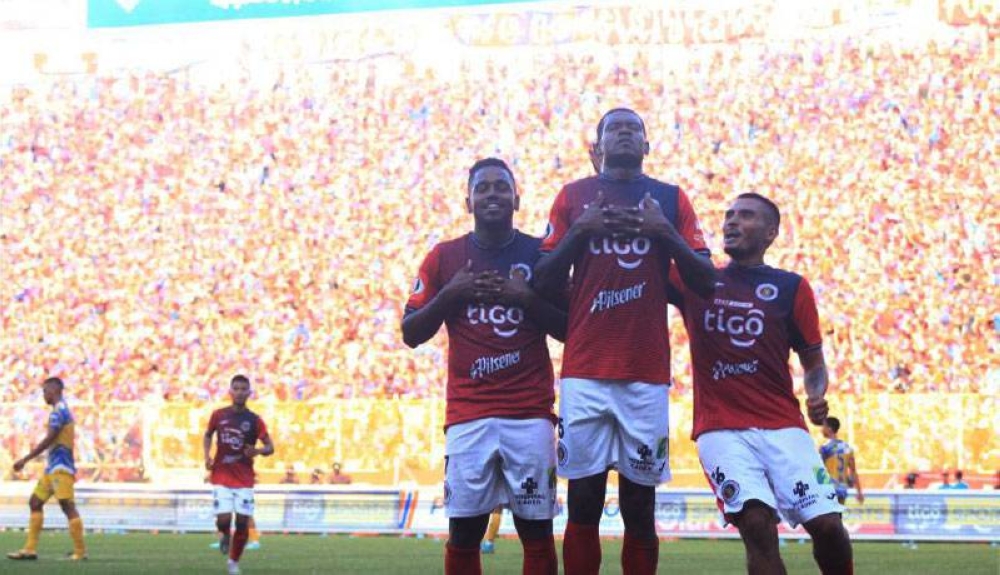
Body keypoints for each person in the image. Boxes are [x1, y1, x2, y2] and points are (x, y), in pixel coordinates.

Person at [534, 108, 715, 575]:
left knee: (640, 504)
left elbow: (705, 281)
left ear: (647, 145)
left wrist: (664, 232)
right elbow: (542, 279)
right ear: (598, 145)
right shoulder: (573, 197)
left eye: (634, 127)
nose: (625, 133)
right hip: (585, 373)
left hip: (644, 374)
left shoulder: (671, 199)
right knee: (584, 499)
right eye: (614, 127)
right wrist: (580, 231)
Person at [668, 193, 854, 574]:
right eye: (729, 215)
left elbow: (813, 360)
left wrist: (816, 393)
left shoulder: (791, 287)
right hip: (720, 429)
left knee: (829, 527)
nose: (732, 221)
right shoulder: (697, 279)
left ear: (770, 233)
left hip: (784, 426)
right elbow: (646, 254)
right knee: (756, 524)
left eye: (746, 216)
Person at [402, 157, 566, 575]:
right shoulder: (444, 257)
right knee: (464, 531)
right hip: (468, 417)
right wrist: (448, 296)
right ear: (468, 200)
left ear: (517, 198)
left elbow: (570, 329)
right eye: (483, 188)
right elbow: (411, 331)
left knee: (537, 532)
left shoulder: (541, 255)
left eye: (500, 187)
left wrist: (526, 299)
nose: (492, 194)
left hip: (529, 415)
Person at [6, 377, 87, 561]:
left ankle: (80, 552)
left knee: (67, 506)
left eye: (45, 391)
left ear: (54, 390)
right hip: (52, 468)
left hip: (61, 467)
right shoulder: (60, 410)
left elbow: (50, 438)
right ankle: (30, 549)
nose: (44, 395)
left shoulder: (59, 412)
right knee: (35, 502)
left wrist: (25, 459)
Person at [203, 374, 274, 575]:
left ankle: (233, 562)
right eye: (237, 388)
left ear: (249, 393)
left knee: (243, 522)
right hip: (221, 475)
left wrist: (258, 451)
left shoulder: (254, 420)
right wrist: (206, 456)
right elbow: (208, 435)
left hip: (244, 479)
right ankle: (225, 534)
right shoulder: (218, 415)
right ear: (230, 391)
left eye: (244, 389)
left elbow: (270, 447)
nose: (240, 392)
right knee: (223, 519)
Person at [820, 417, 865, 504]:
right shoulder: (847, 448)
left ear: (829, 429)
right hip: (842, 490)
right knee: (838, 516)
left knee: (828, 517)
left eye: (823, 427)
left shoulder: (825, 448)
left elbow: (819, 471)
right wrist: (859, 492)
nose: (822, 430)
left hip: (828, 490)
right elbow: (853, 471)